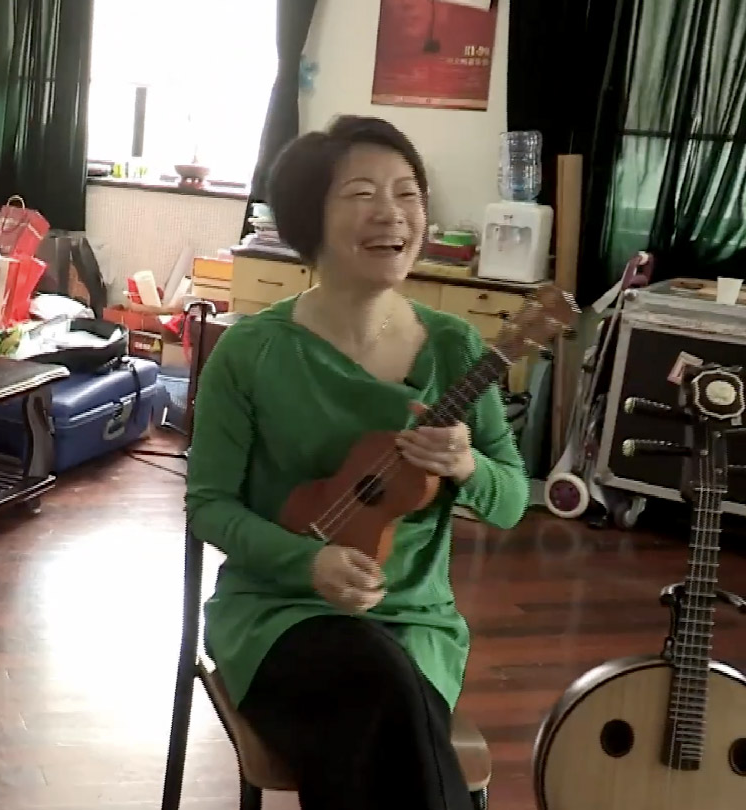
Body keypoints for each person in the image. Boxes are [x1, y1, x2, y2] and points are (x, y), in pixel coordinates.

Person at [185, 115, 529, 810]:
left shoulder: (457, 349)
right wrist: (306, 562)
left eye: (408, 194)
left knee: (382, 699)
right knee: (378, 695)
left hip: (415, 625)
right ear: (308, 218)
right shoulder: (251, 352)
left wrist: (468, 467)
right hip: (277, 616)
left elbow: (513, 501)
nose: (392, 213)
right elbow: (209, 505)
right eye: (362, 193)